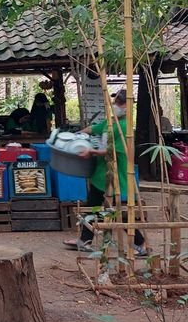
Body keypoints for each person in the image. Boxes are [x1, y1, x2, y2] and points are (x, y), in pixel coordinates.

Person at [63, 90, 147, 256]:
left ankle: (141, 243)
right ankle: (84, 240)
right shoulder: (112, 122)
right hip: (101, 173)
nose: (117, 107)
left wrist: (91, 151)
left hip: (114, 173)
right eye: (116, 103)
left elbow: (113, 150)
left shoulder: (125, 126)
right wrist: (77, 135)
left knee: (116, 211)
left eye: (120, 104)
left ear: (128, 106)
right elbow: (94, 128)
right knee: (93, 206)